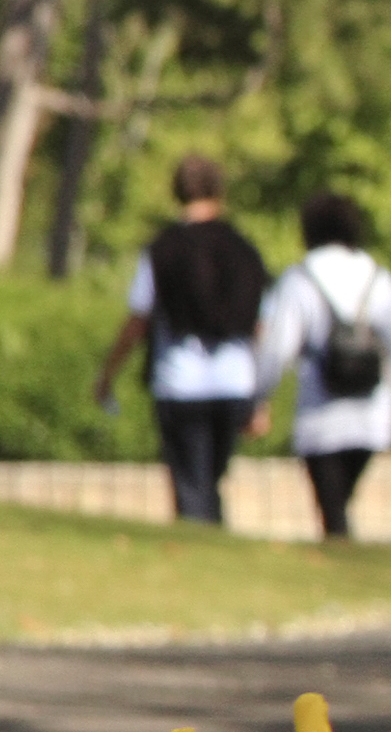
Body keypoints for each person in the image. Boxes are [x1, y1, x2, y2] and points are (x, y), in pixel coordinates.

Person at [95, 154, 272, 524]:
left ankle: (201, 540)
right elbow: (260, 327)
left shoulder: (163, 248)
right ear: (219, 191)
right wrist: (262, 395)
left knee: (190, 481)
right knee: (212, 477)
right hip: (233, 380)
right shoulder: (243, 249)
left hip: (179, 379)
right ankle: (214, 537)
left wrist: (108, 373)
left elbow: (138, 320)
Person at [255, 191, 391, 540]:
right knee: (340, 503)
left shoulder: (300, 279)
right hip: (372, 411)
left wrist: (258, 398)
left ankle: (339, 548)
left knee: (332, 506)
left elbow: (277, 349)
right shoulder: (379, 278)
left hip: (321, 411)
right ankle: (342, 545)